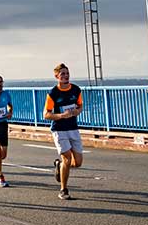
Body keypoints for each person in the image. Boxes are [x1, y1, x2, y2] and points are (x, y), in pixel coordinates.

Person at [43, 63, 84, 200]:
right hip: (59, 130)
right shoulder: (53, 93)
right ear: (57, 77)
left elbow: (80, 107)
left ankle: (59, 166)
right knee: (67, 159)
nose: (66, 76)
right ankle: (63, 189)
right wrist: (61, 116)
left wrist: (76, 112)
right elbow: (46, 115)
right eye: (62, 74)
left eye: (67, 73)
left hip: (73, 128)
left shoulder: (76, 89)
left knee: (77, 162)